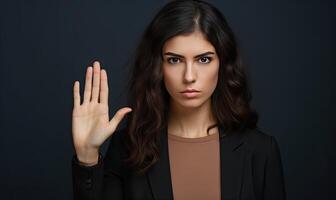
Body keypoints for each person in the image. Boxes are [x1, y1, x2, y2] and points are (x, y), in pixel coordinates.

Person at [71, 0, 287, 199]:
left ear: (223, 63)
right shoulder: (127, 148)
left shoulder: (260, 151)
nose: (189, 76)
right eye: (174, 60)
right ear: (157, 66)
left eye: (204, 59)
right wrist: (87, 156)